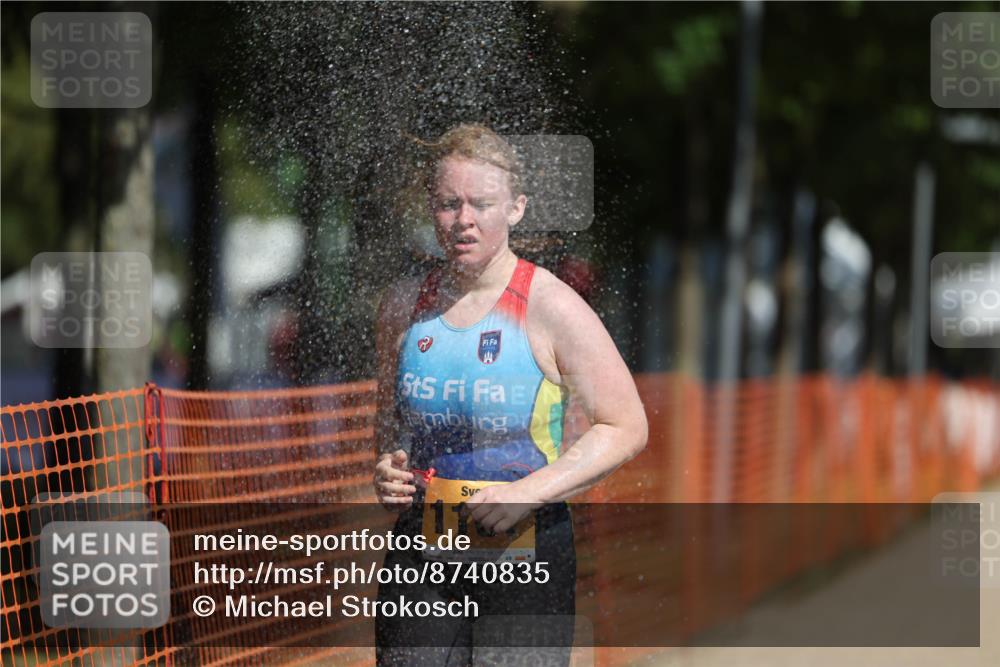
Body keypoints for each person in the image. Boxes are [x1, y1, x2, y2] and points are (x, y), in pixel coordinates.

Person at [372, 123, 647, 666]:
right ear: (432, 209)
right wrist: (384, 467)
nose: (464, 220)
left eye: (482, 203)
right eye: (450, 203)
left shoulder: (550, 306)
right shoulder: (404, 306)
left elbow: (627, 425)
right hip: (422, 552)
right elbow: (389, 423)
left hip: (526, 552)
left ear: (516, 209)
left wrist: (533, 490)